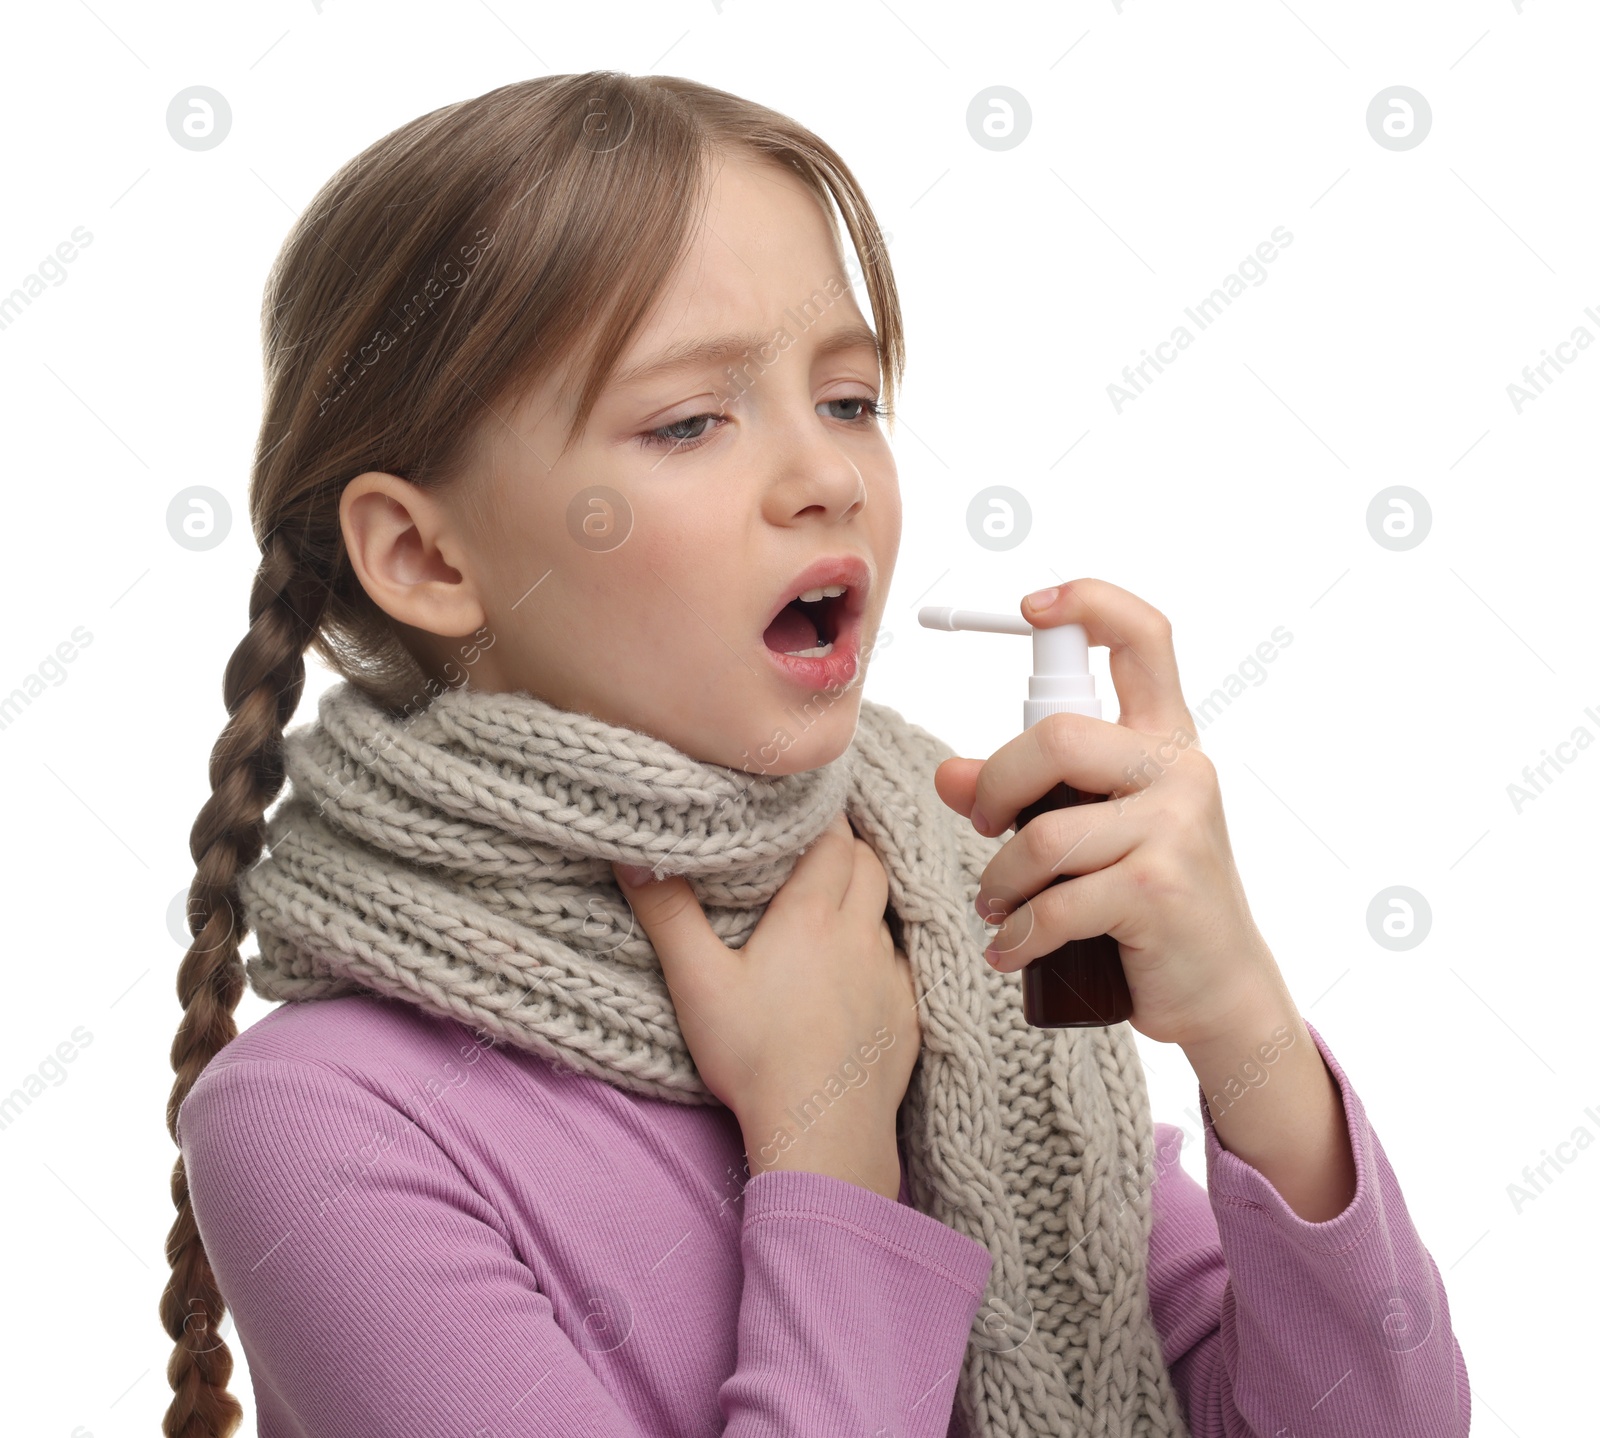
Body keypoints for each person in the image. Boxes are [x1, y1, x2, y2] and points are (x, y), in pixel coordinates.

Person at [162, 70, 1469, 1438]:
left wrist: (1244, 1028)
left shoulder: (953, 935)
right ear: (427, 554)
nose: (828, 474)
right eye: (688, 422)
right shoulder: (320, 1126)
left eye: (847, 399)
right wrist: (827, 1156)